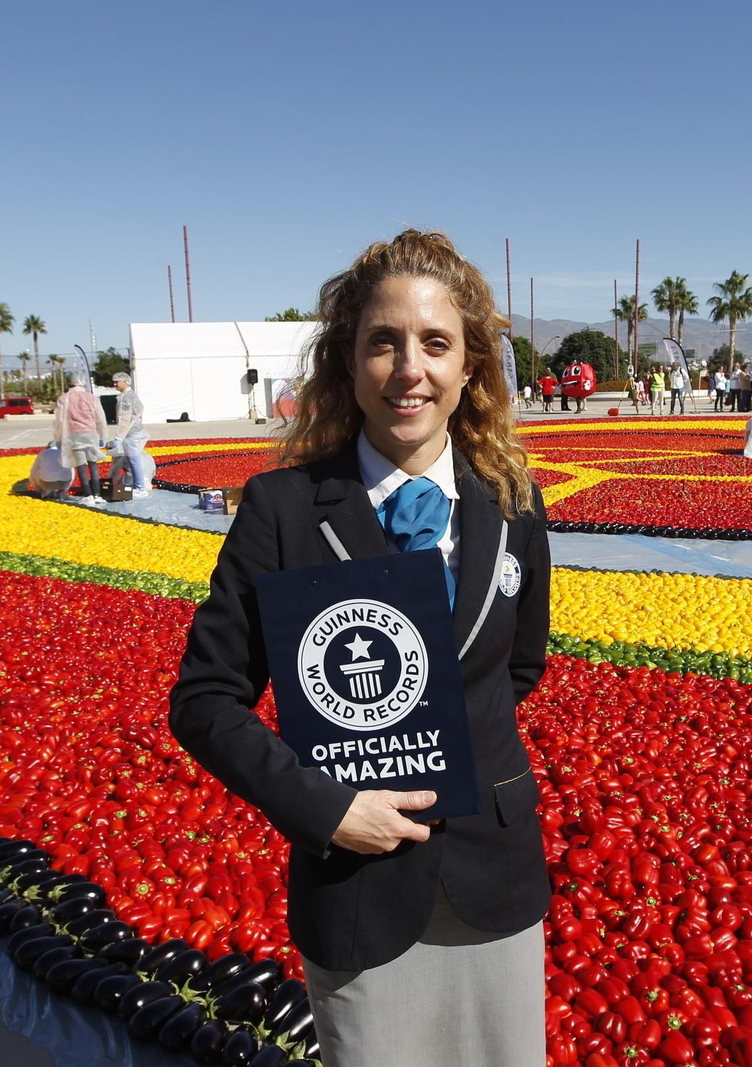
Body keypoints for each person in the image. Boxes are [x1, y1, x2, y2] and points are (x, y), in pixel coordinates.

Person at [169, 230, 550, 1067]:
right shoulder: (282, 510)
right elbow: (204, 701)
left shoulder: (513, 503)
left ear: (470, 368)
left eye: (435, 343)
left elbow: (519, 666)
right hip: (359, 884)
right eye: (383, 341)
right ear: (347, 363)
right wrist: (329, 806)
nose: (409, 367)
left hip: (495, 869)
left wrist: (440, 737)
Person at [53, 373, 108, 505]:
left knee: (81, 465)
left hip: (75, 435)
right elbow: (100, 418)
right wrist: (103, 435)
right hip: (91, 434)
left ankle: (87, 494)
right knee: (93, 464)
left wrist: (58, 438)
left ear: (70, 383)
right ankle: (97, 494)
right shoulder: (91, 398)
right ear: (82, 382)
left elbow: (59, 421)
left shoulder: (64, 399)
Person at [110, 371, 151, 498]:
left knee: (134, 459)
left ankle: (140, 487)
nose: (114, 384)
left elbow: (125, 419)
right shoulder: (129, 396)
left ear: (125, 382)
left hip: (131, 433)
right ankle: (138, 486)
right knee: (131, 459)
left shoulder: (126, 397)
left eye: (117, 382)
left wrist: (118, 437)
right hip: (132, 432)